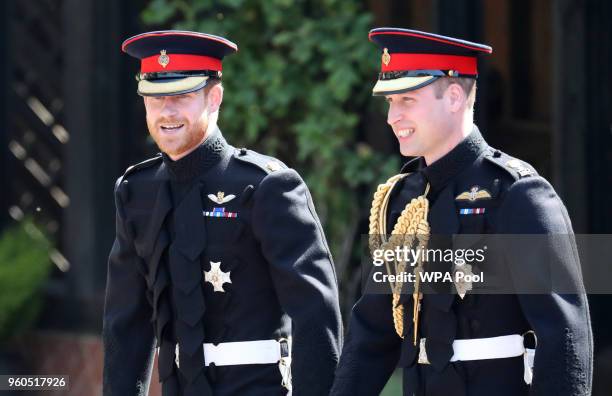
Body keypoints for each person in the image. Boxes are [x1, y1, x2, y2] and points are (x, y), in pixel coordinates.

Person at [330, 28, 592, 396]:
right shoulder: (400, 200)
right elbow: (372, 335)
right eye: (389, 102)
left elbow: (564, 337)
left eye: (406, 99)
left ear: (454, 96)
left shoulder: (518, 194)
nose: (392, 116)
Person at [102, 30, 342, 396]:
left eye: (181, 96)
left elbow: (316, 314)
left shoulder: (266, 186)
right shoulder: (137, 190)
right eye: (154, 97)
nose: (166, 111)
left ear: (214, 98)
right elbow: (126, 324)